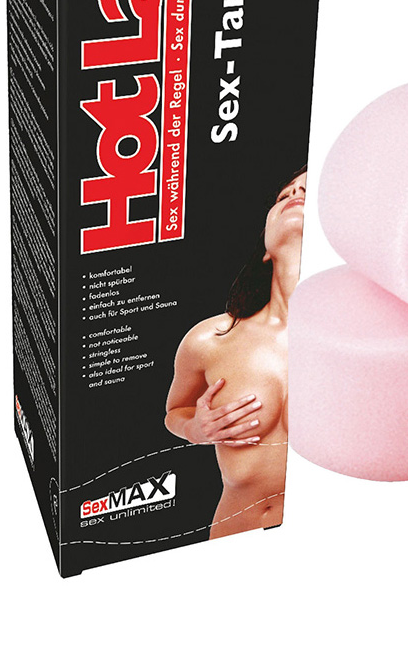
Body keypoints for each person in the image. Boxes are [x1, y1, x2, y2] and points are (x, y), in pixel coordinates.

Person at [164, 168, 305, 538]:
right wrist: (193, 428)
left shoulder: (355, 340)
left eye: (306, 191)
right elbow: (174, 412)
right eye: (285, 194)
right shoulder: (209, 339)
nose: (295, 194)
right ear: (265, 251)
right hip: (233, 537)